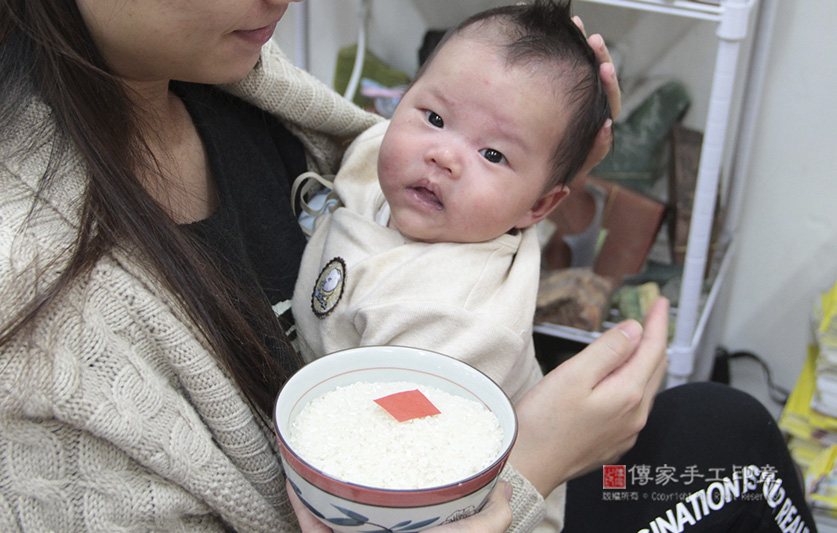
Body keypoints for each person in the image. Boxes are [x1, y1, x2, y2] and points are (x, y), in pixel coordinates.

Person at [0, 0, 815, 532]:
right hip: (469, 499)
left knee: (725, 431)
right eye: (429, 114)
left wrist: (536, 165)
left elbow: (382, 158)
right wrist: (531, 461)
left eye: (491, 152)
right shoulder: (41, 313)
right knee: (727, 441)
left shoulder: (214, 65)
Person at [291, 0, 609, 410]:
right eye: (435, 118)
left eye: (492, 154)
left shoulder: (459, 321)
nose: (443, 156)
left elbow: (390, 437)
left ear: (539, 205)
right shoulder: (377, 152)